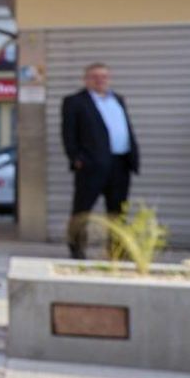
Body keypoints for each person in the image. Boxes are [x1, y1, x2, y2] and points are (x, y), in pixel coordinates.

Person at [61, 62, 141, 259]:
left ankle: (116, 250)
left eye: (104, 77)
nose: (100, 81)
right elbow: (68, 134)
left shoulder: (118, 100)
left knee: (117, 211)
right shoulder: (75, 101)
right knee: (82, 210)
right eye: (95, 77)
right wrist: (76, 159)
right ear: (86, 79)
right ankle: (77, 250)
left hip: (120, 164)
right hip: (91, 165)